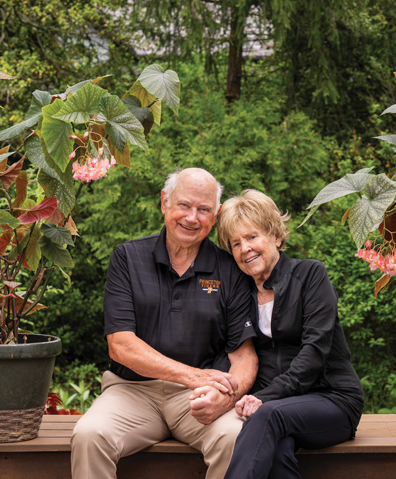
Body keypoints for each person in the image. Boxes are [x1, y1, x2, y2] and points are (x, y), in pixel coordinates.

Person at [71, 168, 259, 479]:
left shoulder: (231, 270)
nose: (192, 217)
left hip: (201, 398)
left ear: (217, 213)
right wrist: (193, 376)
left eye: (203, 210)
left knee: (235, 438)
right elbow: (120, 345)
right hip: (132, 391)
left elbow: (245, 357)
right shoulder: (127, 258)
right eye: (184, 205)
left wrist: (226, 397)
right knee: (90, 435)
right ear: (164, 202)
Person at [213, 189, 364, 479]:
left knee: (266, 417)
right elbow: (232, 351)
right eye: (236, 243)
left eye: (252, 237)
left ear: (276, 236)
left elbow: (315, 351)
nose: (245, 249)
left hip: (331, 399)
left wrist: (264, 398)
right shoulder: (240, 294)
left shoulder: (310, 276)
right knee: (277, 450)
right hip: (278, 408)